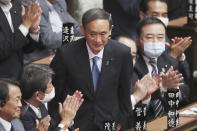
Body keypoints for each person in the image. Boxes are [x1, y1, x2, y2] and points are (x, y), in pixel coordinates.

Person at [47, 8, 134, 130]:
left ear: (111, 30)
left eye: (103, 34)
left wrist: (122, 124)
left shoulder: (122, 53)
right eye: (92, 34)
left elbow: (124, 95)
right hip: (76, 125)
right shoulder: (66, 54)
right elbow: (56, 96)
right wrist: (60, 125)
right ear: (83, 30)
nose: (98, 40)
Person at [132, 16, 190, 121]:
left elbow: (186, 91)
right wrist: (162, 87)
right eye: (149, 37)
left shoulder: (169, 60)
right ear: (138, 40)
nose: (155, 42)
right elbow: (132, 104)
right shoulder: (132, 64)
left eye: (160, 37)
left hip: (169, 120)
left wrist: (172, 88)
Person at [20, 64, 83, 131]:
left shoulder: (40, 105)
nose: (53, 87)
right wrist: (65, 121)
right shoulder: (24, 115)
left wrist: (68, 120)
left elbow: (53, 127)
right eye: (50, 86)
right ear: (38, 95)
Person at [139, 0, 192, 81]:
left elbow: (186, 78)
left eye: (164, 15)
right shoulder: (132, 44)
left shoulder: (167, 40)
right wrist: (172, 57)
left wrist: (179, 57)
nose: (160, 19)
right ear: (142, 16)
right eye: (155, 15)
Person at [0, 0, 42, 79]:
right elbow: (2, 49)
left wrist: (33, 30)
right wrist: (25, 26)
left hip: (19, 75)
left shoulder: (16, 8)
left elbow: (26, 48)